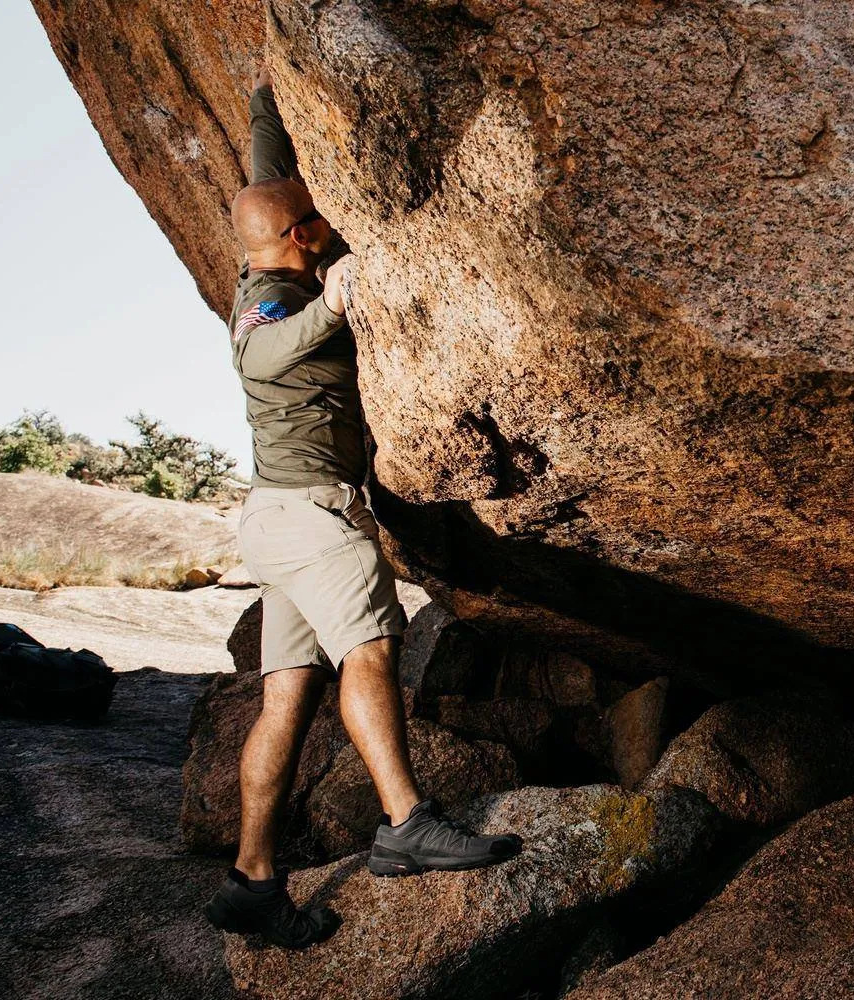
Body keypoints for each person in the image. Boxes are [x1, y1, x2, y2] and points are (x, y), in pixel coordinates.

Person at [204, 66, 522, 950]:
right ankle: (406, 824)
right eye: (320, 222)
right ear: (300, 236)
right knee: (372, 651)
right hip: (313, 519)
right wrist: (331, 308)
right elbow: (258, 356)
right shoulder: (272, 302)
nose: (332, 225)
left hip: (276, 523)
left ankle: (251, 881)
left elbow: (267, 184)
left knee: (286, 702)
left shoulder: (263, 250)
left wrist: (266, 98)